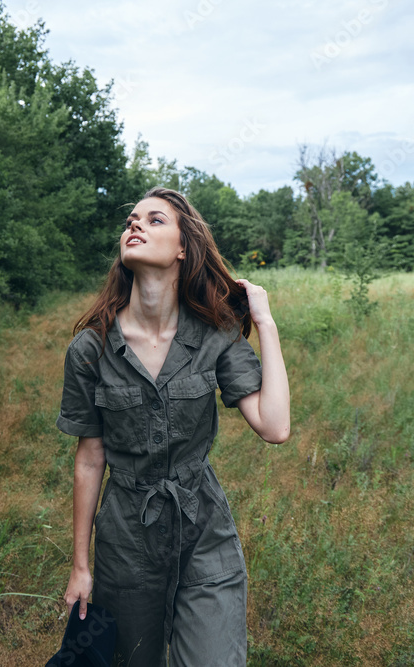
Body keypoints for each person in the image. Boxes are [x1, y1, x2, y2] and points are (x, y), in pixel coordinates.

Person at [56, 187, 290, 666]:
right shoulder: (90, 349)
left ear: (184, 248)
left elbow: (275, 426)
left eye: (154, 220)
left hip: (202, 528)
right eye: (131, 220)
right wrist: (81, 567)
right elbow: (89, 458)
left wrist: (265, 323)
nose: (134, 225)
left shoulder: (216, 334)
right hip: (126, 539)